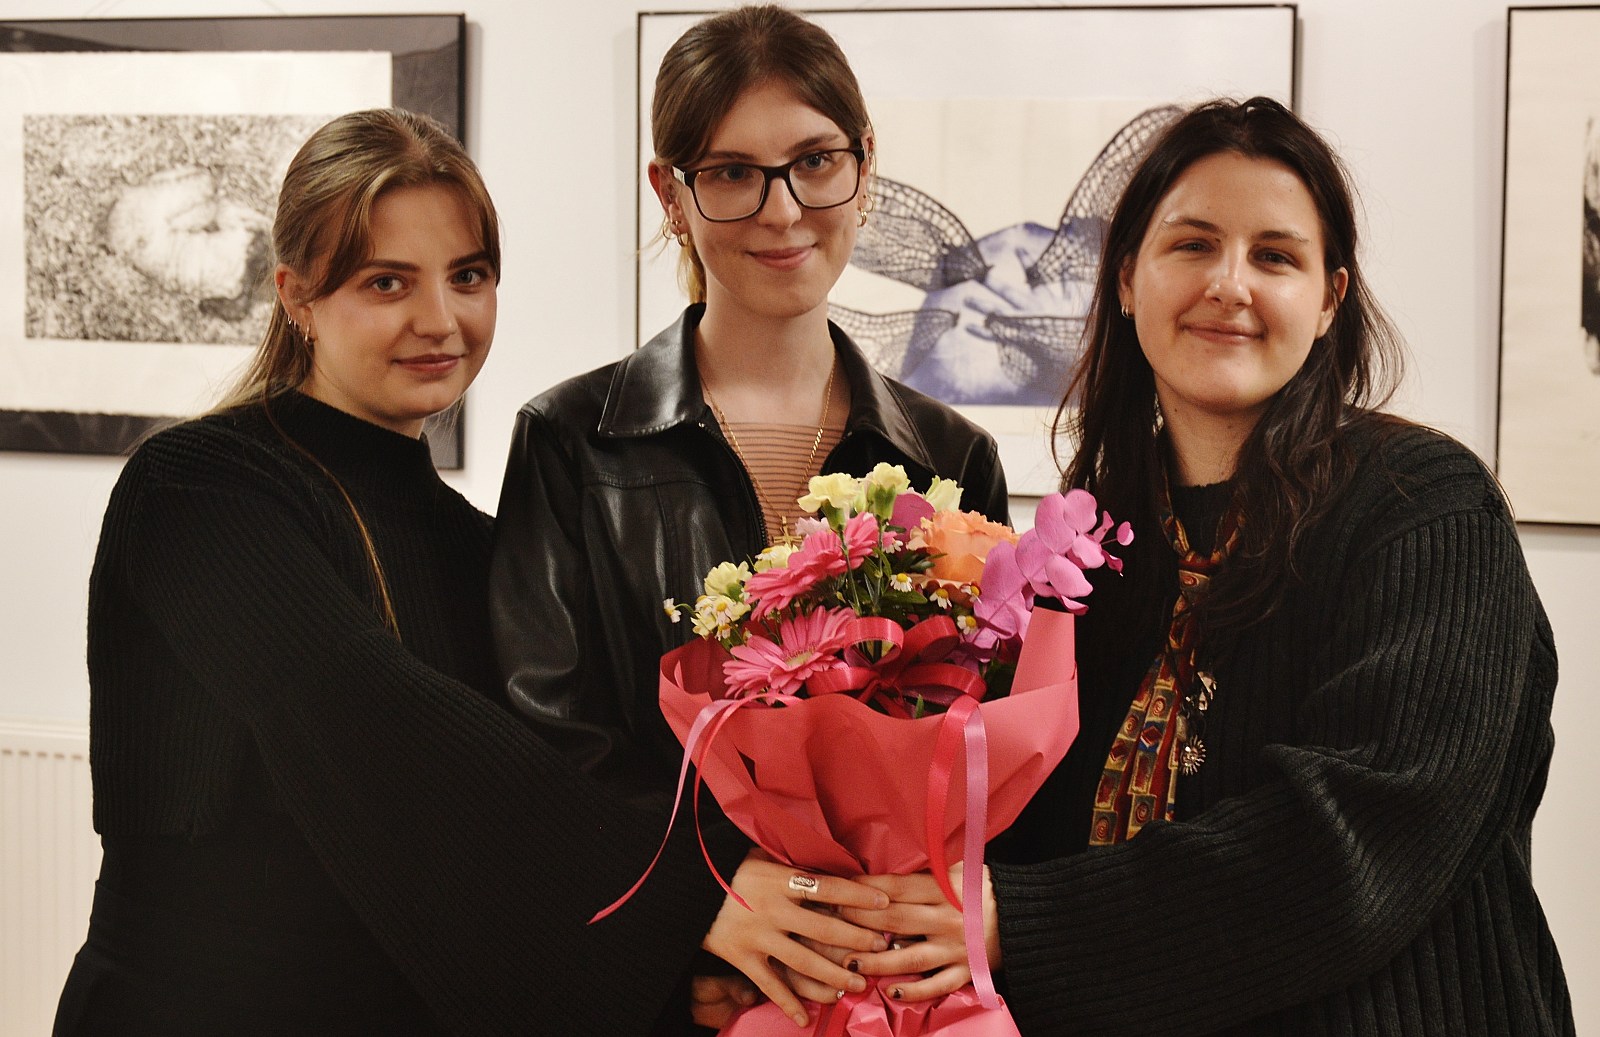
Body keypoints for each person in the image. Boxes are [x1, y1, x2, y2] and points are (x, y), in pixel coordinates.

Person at [53, 107, 886, 1037]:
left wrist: (690, 959)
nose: (439, 321)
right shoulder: (195, 488)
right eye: (386, 282)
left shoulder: (480, 546)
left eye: (469, 276)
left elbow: (527, 817)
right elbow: (363, 717)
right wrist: (693, 896)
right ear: (296, 295)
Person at [826, 97, 1575, 1035]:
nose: (1230, 284)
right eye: (1193, 244)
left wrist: (1022, 917)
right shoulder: (1091, 542)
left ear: (1330, 299)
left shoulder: (1424, 506)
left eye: (1276, 256)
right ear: (1126, 277)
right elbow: (1020, 816)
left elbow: (1355, 843)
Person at [489, 8, 1008, 1018]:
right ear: (670, 194)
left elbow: (977, 756)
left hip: (886, 989)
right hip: (664, 991)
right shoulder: (571, 442)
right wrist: (702, 905)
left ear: (864, 167)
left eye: (814, 162)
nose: (783, 210)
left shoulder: (951, 460)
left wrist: (868, 935)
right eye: (731, 173)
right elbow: (546, 751)